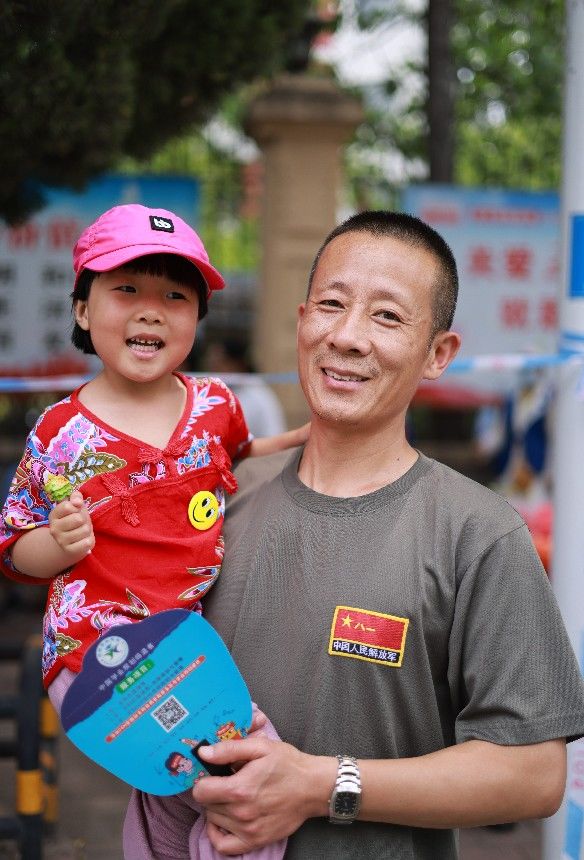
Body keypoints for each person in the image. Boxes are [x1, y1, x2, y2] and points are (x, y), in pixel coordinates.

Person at [177, 210, 584, 859]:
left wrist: (320, 785)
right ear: (303, 319)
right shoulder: (218, 500)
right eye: (332, 306)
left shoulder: (477, 534)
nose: (348, 336)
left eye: (387, 317)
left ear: (438, 353)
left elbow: (533, 774)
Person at [0, 203, 303, 859]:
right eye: (127, 290)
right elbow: (16, 551)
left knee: (174, 801)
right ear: (82, 308)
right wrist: (59, 543)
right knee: (253, 775)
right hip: (99, 650)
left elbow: (243, 456)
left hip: (188, 642)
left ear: (197, 315)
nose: (151, 310)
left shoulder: (217, 404)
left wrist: (320, 435)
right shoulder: (61, 434)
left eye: (175, 295)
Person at [204, 336, 287, 438]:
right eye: (211, 364)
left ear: (236, 363)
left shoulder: (258, 394)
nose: (213, 369)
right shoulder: (213, 391)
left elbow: (274, 436)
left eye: (218, 363)